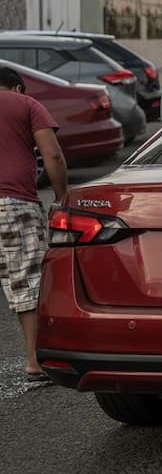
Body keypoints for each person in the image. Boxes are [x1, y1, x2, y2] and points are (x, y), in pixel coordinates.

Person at [0, 66, 67, 382]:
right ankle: (34, 360)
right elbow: (52, 155)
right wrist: (61, 196)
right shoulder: (26, 104)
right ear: (17, 88)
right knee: (26, 279)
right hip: (13, 203)